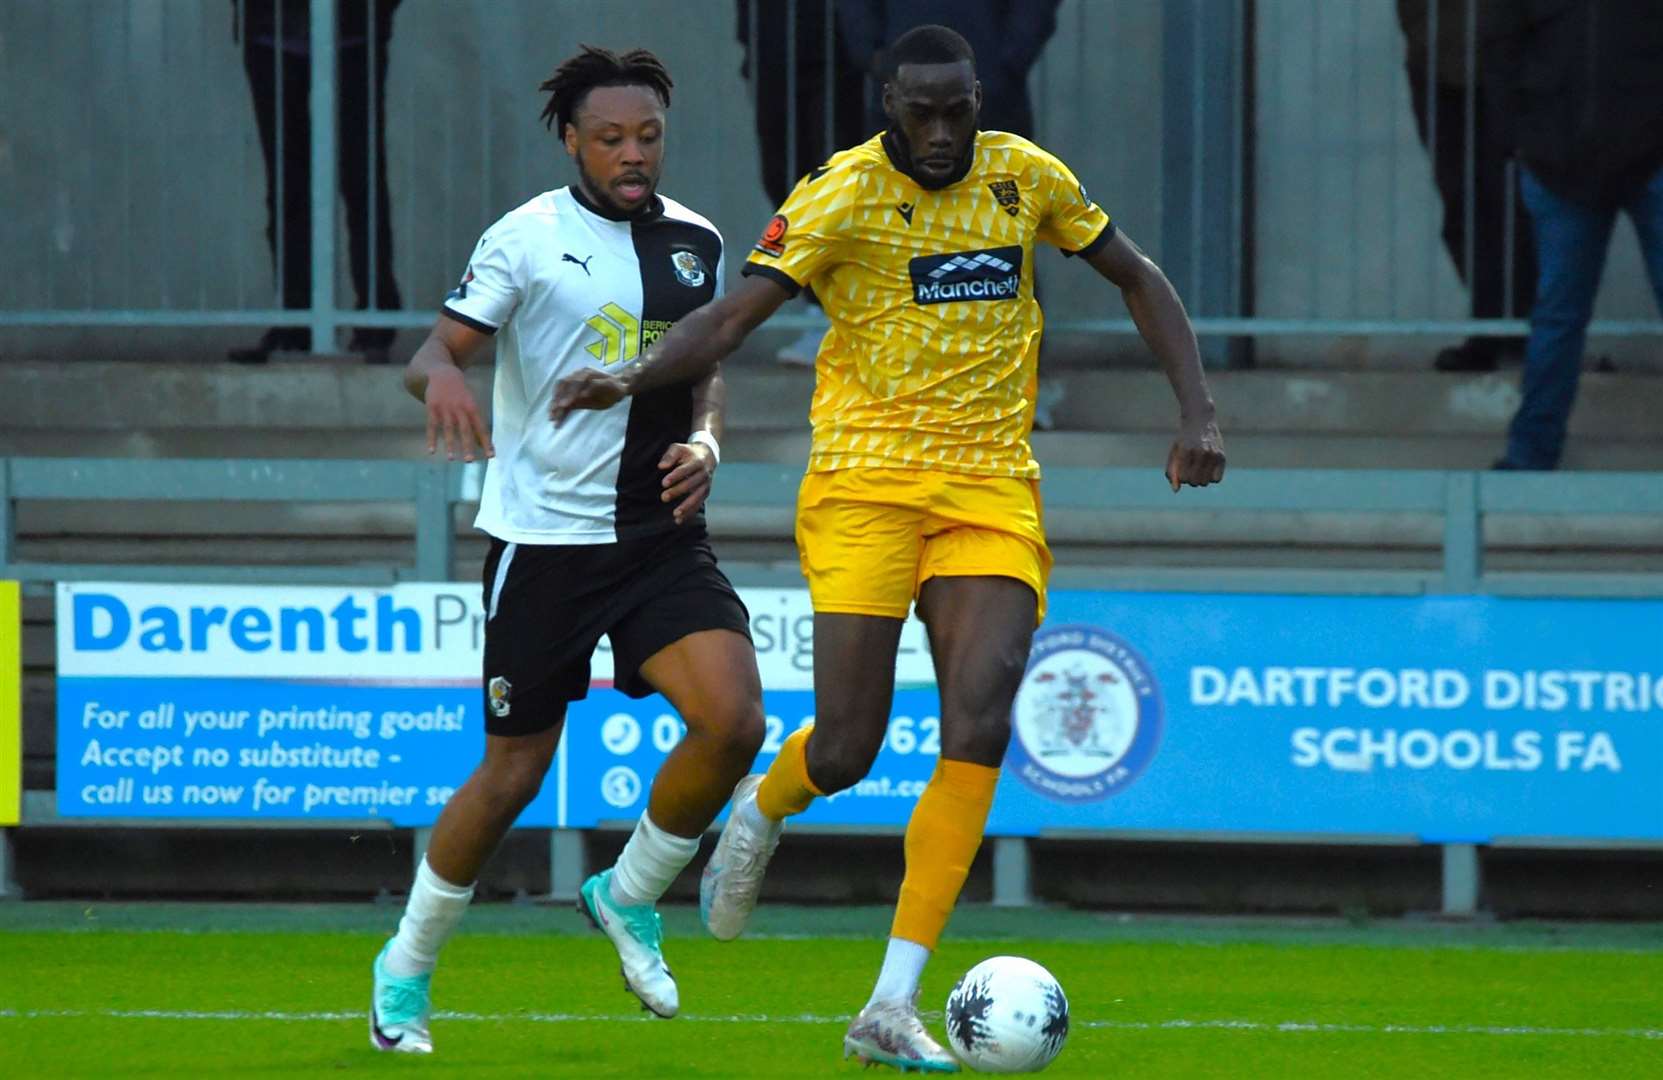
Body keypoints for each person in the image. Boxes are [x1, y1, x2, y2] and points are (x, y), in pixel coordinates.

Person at [551, 25, 1225, 1071]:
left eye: (961, 107)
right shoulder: (838, 195)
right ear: (887, 108)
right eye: (925, 112)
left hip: (989, 486)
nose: (947, 129)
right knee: (847, 747)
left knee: (982, 713)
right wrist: (632, 380)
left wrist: (1198, 415)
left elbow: (1137, 277)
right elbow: (731, 318)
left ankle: (889, 1002)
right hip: (864, 486)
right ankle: (765, 806)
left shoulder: (1025, 176)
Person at [369, 46, 765, 1053]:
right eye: (612, 139)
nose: (633, 155)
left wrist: (708, 439)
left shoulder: (697, 240)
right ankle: (405, 970)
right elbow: (433, 352)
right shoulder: (525, 239)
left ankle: (627, 894)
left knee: (732, 723)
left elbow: (705, 364)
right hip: (543, 543)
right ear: (571, 141)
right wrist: (442, 382)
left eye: (648, 137)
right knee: (512, 774)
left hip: (660, 535)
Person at [1482, 0, 1663, 469]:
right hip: (1556, 165)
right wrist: (1517, 139)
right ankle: (1531, 455)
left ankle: (1531, 454)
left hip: (1650, 161)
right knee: (1557, 318)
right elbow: (1500, 46)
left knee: (1556, 318)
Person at [228, 0, 404, 364]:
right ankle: (297, 322)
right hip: (272, 32)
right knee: (287, 186)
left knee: (361, 180)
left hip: (353, 32)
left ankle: (373, 319)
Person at [1396, 0, 1535, 372]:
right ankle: (1494, 325)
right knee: (1463, 205)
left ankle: (1517, 328)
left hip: (1508, 62)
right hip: (1437, 64)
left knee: (1511, 202)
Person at [735, 0, 872, 366]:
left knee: (838, 182)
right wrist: (749, 41)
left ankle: (845, 310)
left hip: (839, 53)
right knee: (780, 176)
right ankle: (820, 308)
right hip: (775, 47)